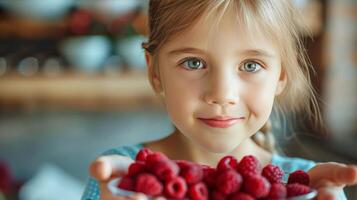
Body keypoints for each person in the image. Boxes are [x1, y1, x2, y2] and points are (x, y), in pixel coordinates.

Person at [82, 1, 357, 199]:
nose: (222, 94)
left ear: (281, 75)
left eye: (250, 65)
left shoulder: (310, 187)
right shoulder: (119, 179)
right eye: (193, 62)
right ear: (155, 72)